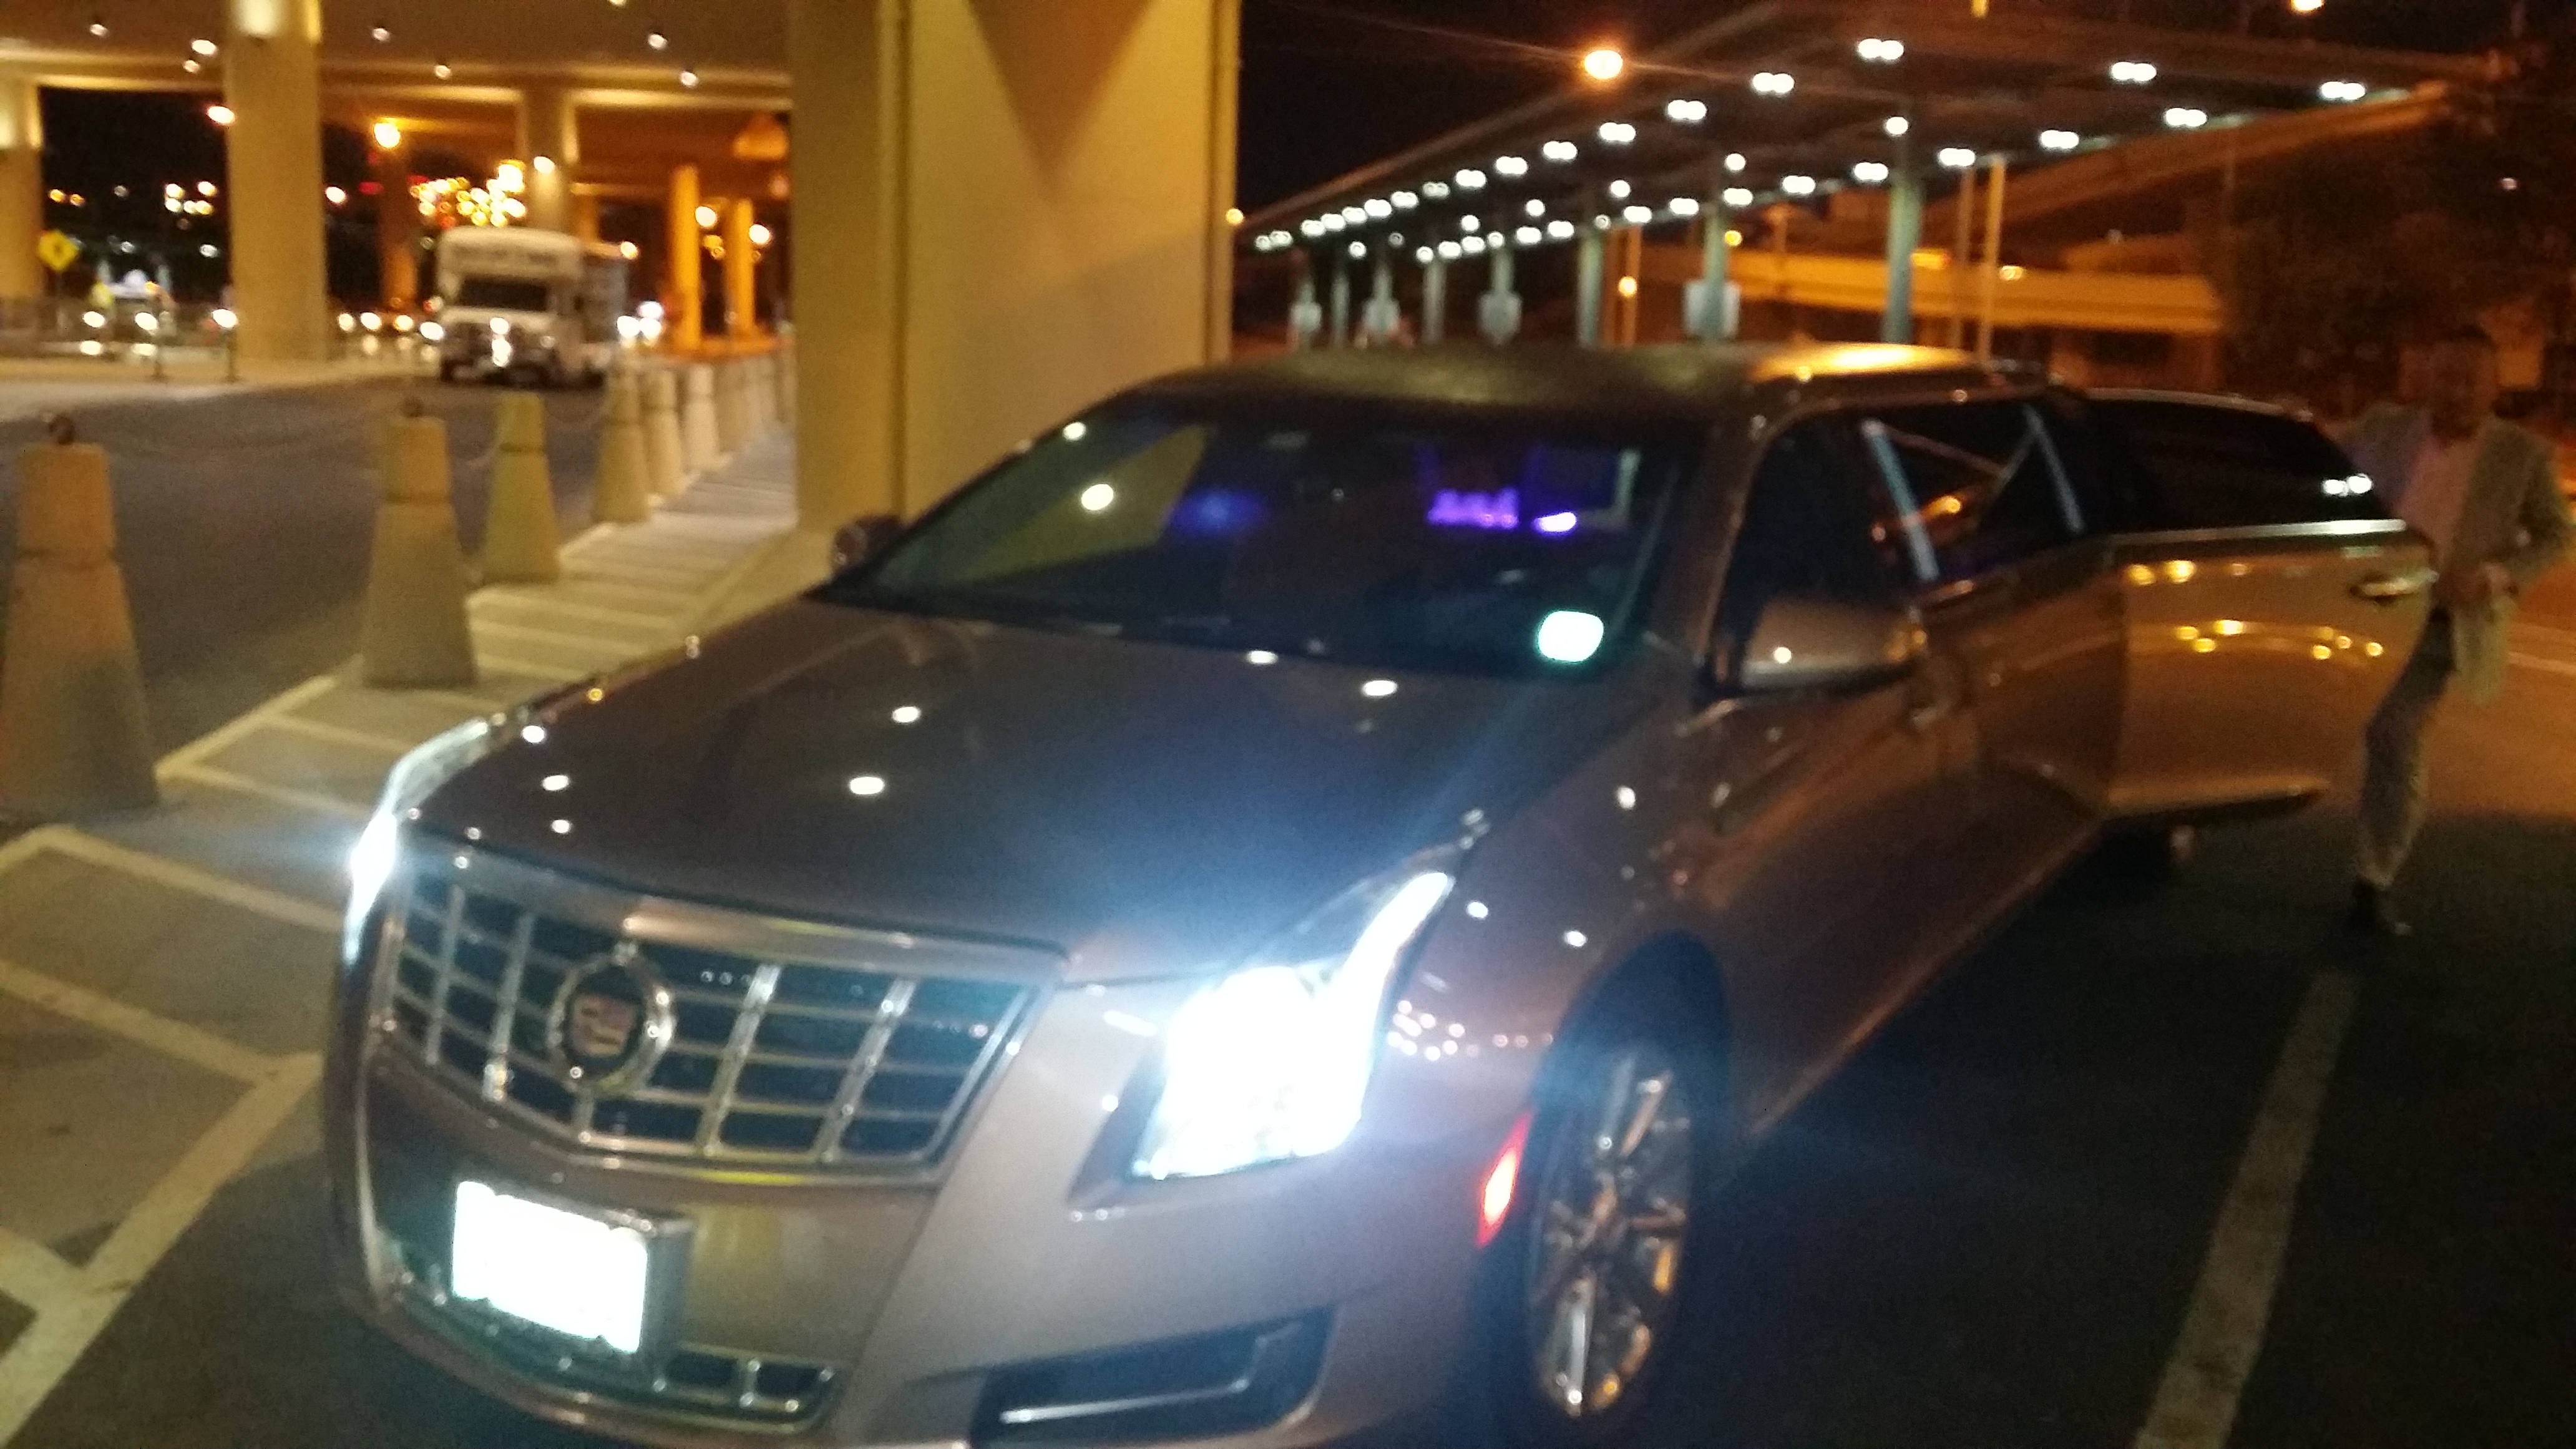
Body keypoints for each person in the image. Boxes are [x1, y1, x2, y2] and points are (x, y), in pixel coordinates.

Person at [2338, 326, 2574, 935]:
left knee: (2394, 736)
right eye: (2446, 376)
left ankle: (2374, 875)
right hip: (2358, 610)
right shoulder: (2382, 429)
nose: (2457, 390)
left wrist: (2495, 577)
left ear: (2496, 387)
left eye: (2471, 379)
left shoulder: (2522, 456)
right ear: (2426, 379)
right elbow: (2325, 476)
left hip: (2437, 622)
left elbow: (2555, 535)